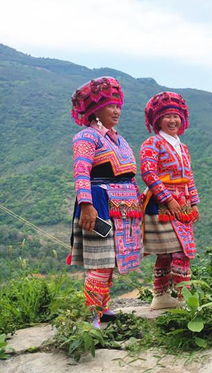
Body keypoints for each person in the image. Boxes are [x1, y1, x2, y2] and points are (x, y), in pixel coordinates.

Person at [69, 76, 143, 328]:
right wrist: (86, 204)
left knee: (110, 261)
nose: (116, 111)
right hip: (99, 207)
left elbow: (127, 174)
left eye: (118, 106)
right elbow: (81, 171)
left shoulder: (118, 139)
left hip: (123, 210)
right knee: (100, 262)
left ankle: (102, 307)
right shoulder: (86, 137)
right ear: (94, 110)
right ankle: (91, 314)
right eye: (111, 106)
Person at [140, 91, 199, 310]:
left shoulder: (183, 148)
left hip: (183, 203)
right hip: (162, 205)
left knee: (170, 252)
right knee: (177, 251)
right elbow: (149, 173)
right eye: (167, 116)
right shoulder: (152, 143)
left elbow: (189, 176)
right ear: (158, 120)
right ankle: (184, 298)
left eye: (176, 116)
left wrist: (194, 202)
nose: (173, 120)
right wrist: (167, 198)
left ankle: (161, 296)